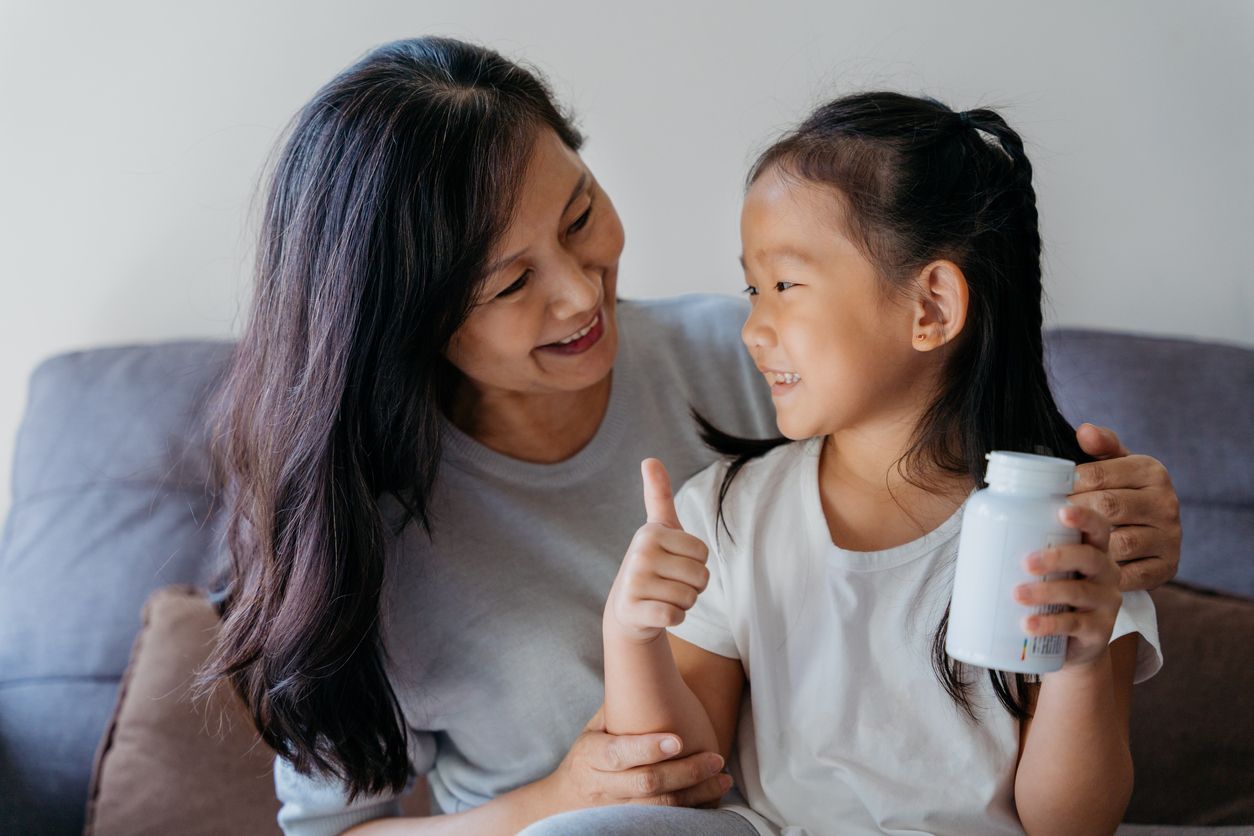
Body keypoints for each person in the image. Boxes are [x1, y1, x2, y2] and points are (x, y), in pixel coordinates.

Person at [201, 38, 1183, 836]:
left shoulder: (760, 363)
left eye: (581, 214)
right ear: (407, 322)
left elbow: (941, 414)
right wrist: (553, 800)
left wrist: (1123, 531)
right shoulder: (353, 527)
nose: (582, 292)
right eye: (510, 283)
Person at [560, 93, 1163, 836]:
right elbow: (687, 776)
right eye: (754, 288)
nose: (752, 328)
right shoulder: (728, 511)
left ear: (931, 307)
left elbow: (1069, 826)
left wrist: (1077, 665)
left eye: (784, 285)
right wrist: (633, 635)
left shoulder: (1070, 529)